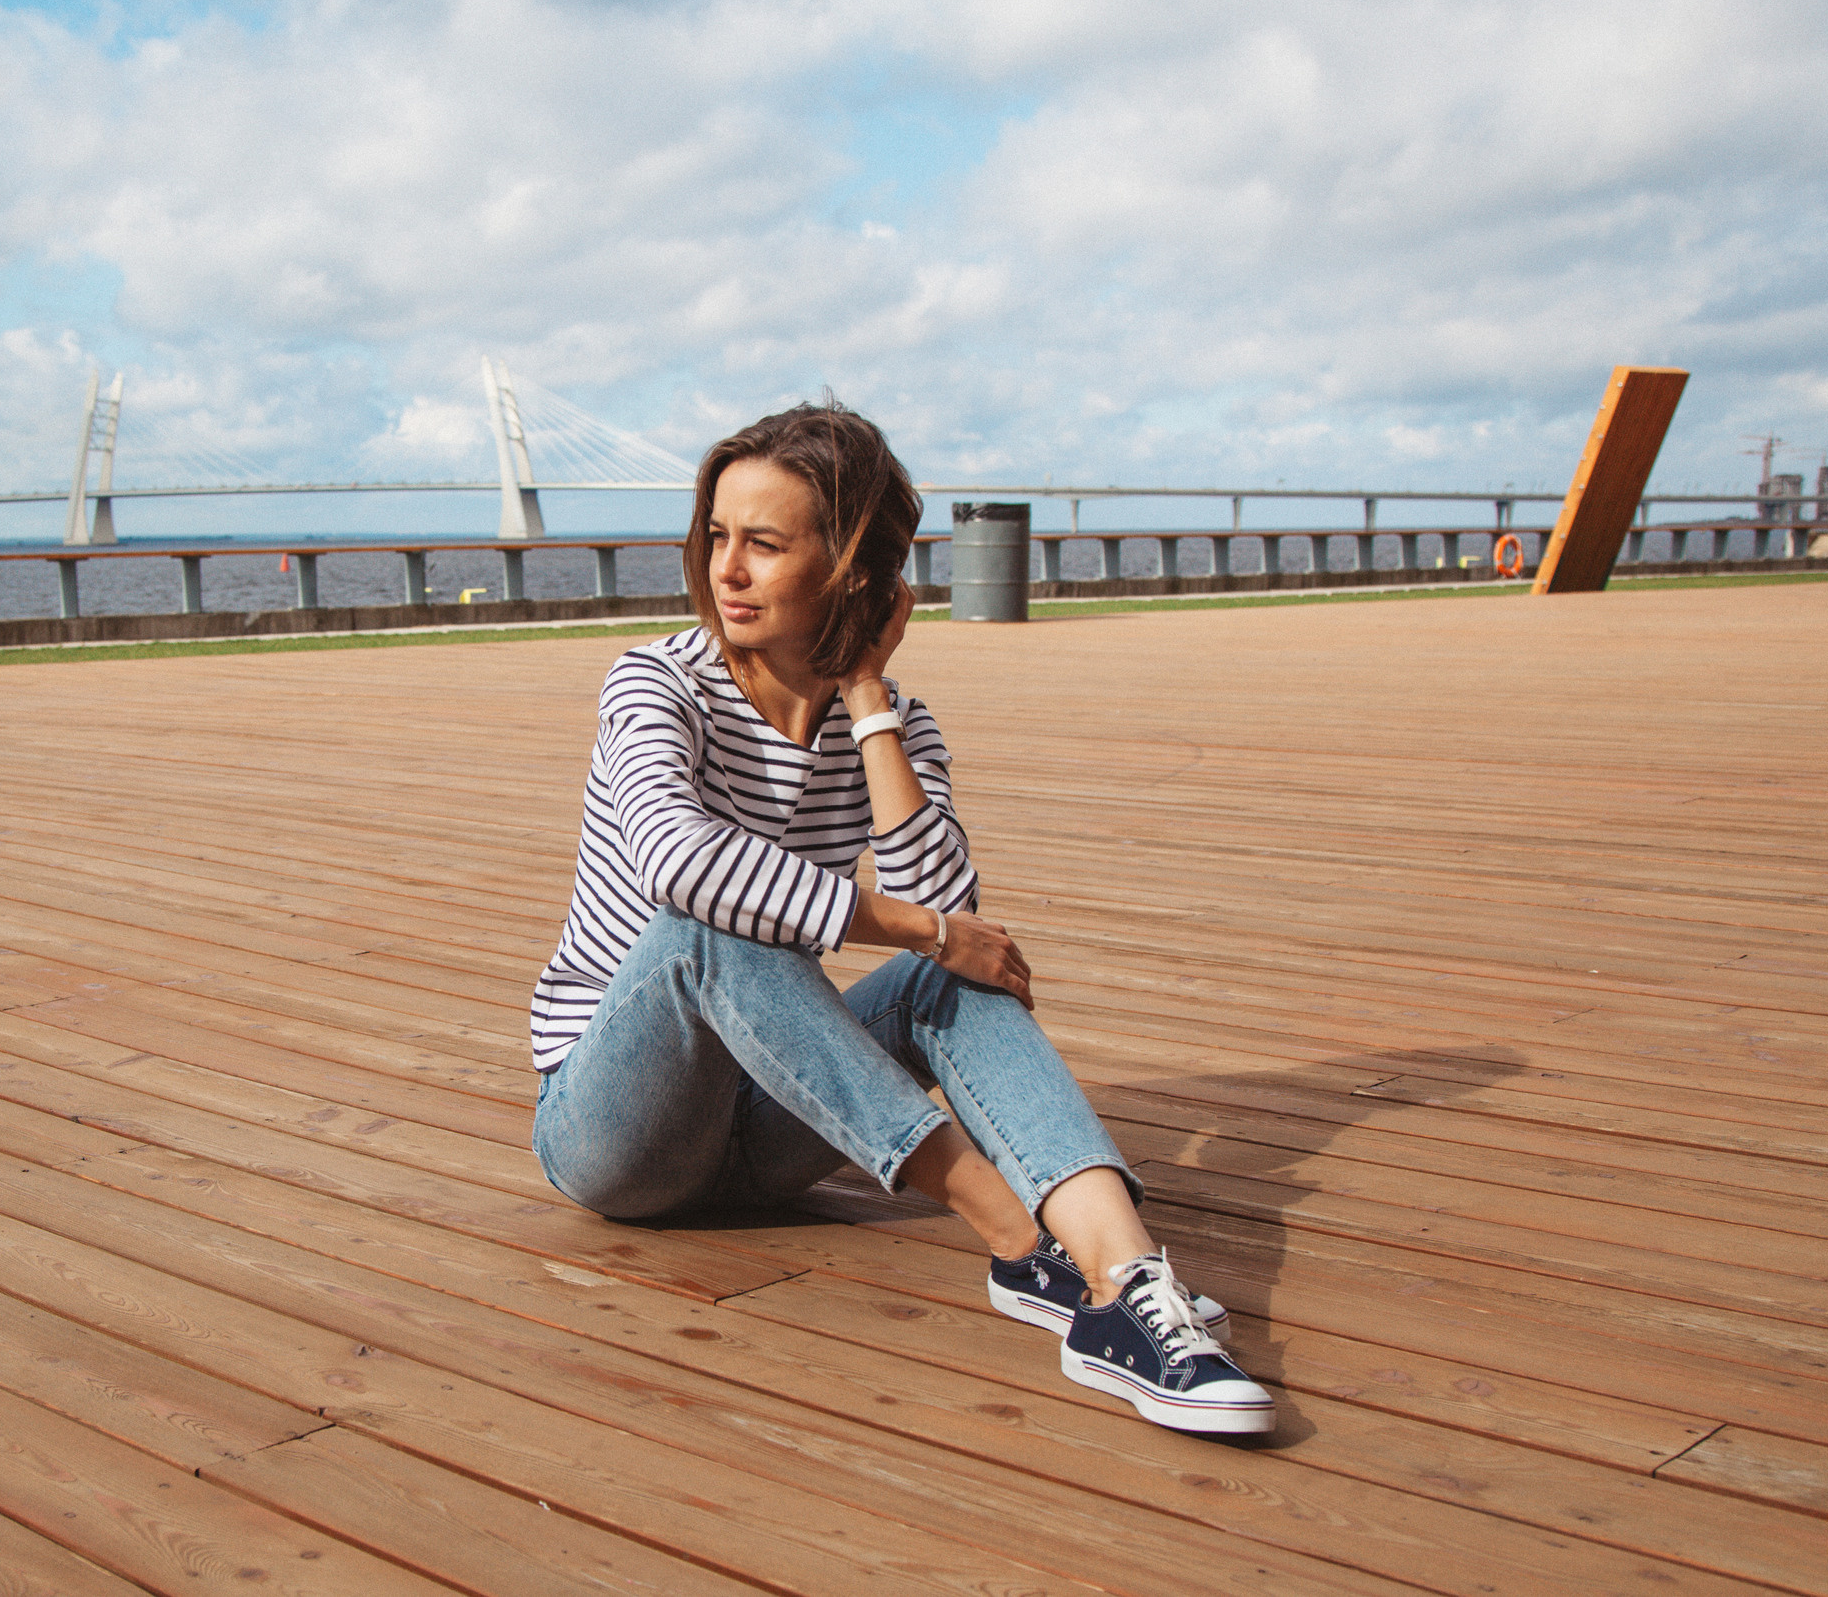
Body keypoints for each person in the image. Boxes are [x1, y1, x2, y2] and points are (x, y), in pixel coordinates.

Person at [527, 402, 1272, 1436]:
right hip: (618, 1128)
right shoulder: (658, 685)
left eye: (765, 543)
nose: (726, 569)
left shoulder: (893, 722)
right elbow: (678, 863)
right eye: (717, 536)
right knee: (713, 923)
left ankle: (1123, 1284)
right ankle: (1017, 1238)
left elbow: (949, 910)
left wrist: (867, 693)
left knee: (954, 977)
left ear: (851, 575)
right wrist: (917, 930)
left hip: (782, 1116)